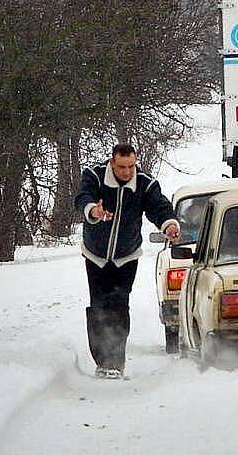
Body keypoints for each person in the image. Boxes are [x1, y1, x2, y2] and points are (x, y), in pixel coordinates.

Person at [74, 143, 179, 379]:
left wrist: (169, 224)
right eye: (122, 167)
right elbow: (83, 197)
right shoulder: (95, 176)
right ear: (112, 162)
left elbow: (158, 207)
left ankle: (115, 362)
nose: (127, 172)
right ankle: (102, 360)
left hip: (126, 257)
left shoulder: (145, 184)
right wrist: (94, 211)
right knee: (99, 305)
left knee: (119, 305)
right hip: (96, 256)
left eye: (131, 166)